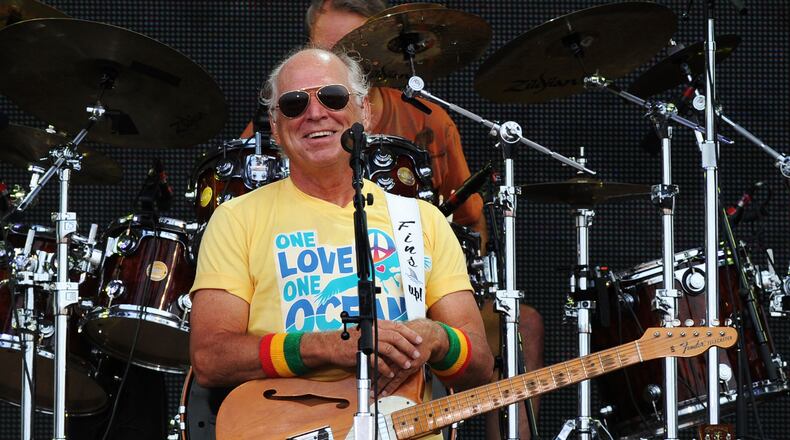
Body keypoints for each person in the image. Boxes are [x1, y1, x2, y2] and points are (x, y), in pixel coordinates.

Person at [189, 47, 494, 437]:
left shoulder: (421, 220)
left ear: (364, 110)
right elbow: (210, 358)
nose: (315, 113)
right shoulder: (236, 218)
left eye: (332, 97)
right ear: (275, 124)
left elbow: (480, 367)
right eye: (294, 104)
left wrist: (436, 338)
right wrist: (327, 347)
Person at [301, 1, 545, 438]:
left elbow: (472, 225)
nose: (336, 64)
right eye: (327, 49)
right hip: (312, 288)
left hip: (423, 288)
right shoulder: (292, 115)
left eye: (353, 50)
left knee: (520, 324)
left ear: (378, 51)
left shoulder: (427, 118)